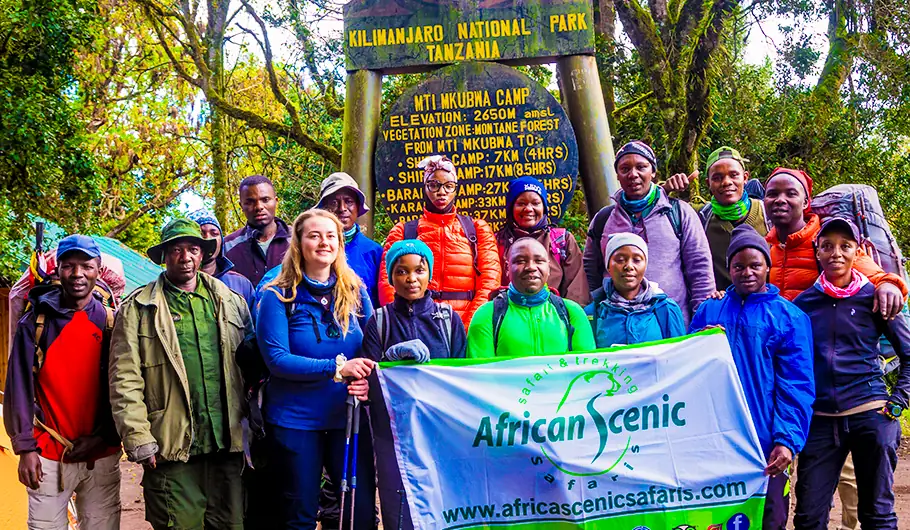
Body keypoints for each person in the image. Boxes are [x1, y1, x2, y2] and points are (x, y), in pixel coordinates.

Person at [108, 219, 253, 530]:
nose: (185, 257)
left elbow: (252, 368)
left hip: (226, 445)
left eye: (192, 249)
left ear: (202, 255)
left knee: (231, 524)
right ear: (164, 256)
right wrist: (138, 437)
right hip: (170, 448)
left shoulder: (231, 301)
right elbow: (124, 380)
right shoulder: (138, 308)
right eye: (176, 250)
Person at [256, 209, 376, 529]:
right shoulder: (277, 295)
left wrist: (367, 379)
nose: (324, 242)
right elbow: (277, 360)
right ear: (298, 243)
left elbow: (372, 346)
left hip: (347, 419)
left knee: (359, 512)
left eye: (331, 236)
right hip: (296, 420)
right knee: (300, 515)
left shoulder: (355, 292)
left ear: (339, 244)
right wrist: (338, 368)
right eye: (314, 235)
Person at [689, 224, 814, 530]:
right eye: (739, 266)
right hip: (715, 440)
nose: (747, 272)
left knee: (769, 517)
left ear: (768, 267)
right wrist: (698, 343)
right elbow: (686, 370)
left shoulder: (790, 317)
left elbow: (796, 385)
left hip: (766, 443)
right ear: (728, 268)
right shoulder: (709, 311)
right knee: (713, 519)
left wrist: (786, 440)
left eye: (755, 265)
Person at [793, 218, 910, 530]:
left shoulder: (876, 297)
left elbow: (909, 354)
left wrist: (897, 403)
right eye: (828, 245)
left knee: (878, 516)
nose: (836, 253)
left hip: (870, 415)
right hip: (818, 421)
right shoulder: (804, 303)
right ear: (817, 251)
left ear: (857, 251)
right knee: (808, 518)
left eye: (845, 246)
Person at [4, 235, 122, 530]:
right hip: (47, 455)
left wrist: (105, 437)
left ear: (97, 270)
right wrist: (25, 448)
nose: (78, 274)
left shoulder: (111, 322)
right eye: (69, 266)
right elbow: (18, 387)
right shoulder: (35, 323)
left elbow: (124, 387)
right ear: (57, 270)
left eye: (86, 266)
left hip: (101, 455)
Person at [360, 239, 466, 530]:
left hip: (440, 428)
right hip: (393, 433)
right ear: (391, 276)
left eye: (419, 270)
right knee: (399, 504)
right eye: (402, 271)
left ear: (429, 273)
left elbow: (462, 374)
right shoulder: (378, 322)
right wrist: (389, 360)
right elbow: (369, 379)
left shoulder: (448, 320)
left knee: (445, 500)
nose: (411, 279)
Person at [583, 140, 714, 324]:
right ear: (618, 175)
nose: (633, 174)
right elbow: (590, 269)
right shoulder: (604, 219)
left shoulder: (678, 213)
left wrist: (702, 320)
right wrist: (597, 313)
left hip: (670, 325)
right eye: (625, 168)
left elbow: (700, 269)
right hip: (615, 325)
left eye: (641, 167)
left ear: (653, 172)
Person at [379, 155, 500, 326]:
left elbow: (490, 282)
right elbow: (388, 284)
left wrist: (469, 326)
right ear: (425, 187)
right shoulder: (403, 231)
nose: (441, 192)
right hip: (415, 323)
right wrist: (408, 322)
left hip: (468, 323)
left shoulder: (478, 230)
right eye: (434, 185)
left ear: (456, 189)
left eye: (449, 186)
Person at [764, 167, 906, 309]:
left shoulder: (827, 242)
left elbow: (877, 277)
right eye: (772, 194)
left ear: (806, 202)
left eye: (791, 194)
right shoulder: (765, 247)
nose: (780, 200)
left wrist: (889, 285)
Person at [258, 172, 383, 310]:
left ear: (358, 206)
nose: (342, 208)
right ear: (323, 208)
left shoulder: (374, 252)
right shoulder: (301, 250)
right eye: (334, 202)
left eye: (349, 201)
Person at [664, 146, 769, 290]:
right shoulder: (700, 216)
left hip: (764, 306)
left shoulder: (767, 213)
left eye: (733, 175)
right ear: (708, 183)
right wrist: (665, 190)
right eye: (717, 178)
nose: (726, 182)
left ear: (745, 178)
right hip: (720, 307)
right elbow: (655, 211)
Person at [467, 237, 594, 357]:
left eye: (539, 261)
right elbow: (480, 375)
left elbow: (586, 370)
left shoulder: (572, 312)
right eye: (520, 261)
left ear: (548, 268)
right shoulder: (486, 315)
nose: (531, 267)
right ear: (507, 268)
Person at [495, 176, 589, 304]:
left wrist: (568, 318)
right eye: (521, 203)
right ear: (511, 208)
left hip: (554, 318)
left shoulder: (561, 241)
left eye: (535, 203)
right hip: (509, 317)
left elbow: (577, 291)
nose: (528, 209)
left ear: (544, 207)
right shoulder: (496, 242)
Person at [587, 233, 685, 347]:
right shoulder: (593, 313)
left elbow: (679, 356)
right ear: (608, 266)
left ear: (645, 265)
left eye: (637, 260)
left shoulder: (666, 309)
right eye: (620, 260)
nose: (629, 266)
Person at [223, 175, 290, 286]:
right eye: (250, 202)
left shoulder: (298, 239)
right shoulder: (228, 246)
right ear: (241, 206)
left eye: (265, 200)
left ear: (276, 201)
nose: (259, 207)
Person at [188, 210, 256, 313]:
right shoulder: (176, 283)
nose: (208, 239)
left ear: (221, 240)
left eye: (214, 233)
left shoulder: (241, 284)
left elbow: (253, 326)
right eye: (201, 233)